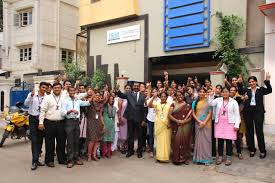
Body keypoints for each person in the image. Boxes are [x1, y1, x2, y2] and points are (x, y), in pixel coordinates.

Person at [238, 73, 272, 159]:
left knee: (259, 131)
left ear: (256, 82)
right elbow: (240, 91)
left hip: (258, 112)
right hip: (248, 112)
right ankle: (252, 149)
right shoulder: (246, 89)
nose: (251, 83)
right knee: (249, 131)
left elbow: (269, 90)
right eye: (250, 82)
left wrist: (267, 81)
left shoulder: (260, 89)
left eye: (253, 81)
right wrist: (240, 83)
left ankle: (263, 151)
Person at [61, 87, 92, 168]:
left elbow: (87, 103)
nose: (72, 92)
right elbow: (62, 112)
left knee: (76, 140)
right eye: (70, 91)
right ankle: (70, 160)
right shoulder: (65, 101)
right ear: (68, 92)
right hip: (69, 122)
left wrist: (92, 95)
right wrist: (70, 111)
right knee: (70, 141)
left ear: (75, 92)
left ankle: (76, 158)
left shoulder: (77, 100)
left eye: (73, 91)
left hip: (76, 121)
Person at [209, 87, 240, 166]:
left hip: (230, 123)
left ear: (229, 93)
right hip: (219, 123)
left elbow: (237, 114)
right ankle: (220, 157)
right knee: (220, 141)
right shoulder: (218, 100)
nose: (225, 93)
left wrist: (237, 124)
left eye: (226, 92)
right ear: (221, 93)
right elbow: (210, 104)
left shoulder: (234, 102)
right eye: (223, 92)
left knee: (229, 141)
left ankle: (228, 157)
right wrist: (211, 96)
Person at [38, 83, 67, 167]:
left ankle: (62, 159)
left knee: (61, 142)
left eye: (58, 88)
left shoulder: (65, 96)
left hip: (61, 123)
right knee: (49, 142)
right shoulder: (47, 98)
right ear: (52, 89)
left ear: (61, 89)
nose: (57, 89)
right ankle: (49, 160)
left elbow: (77, 96)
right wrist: (40, 122)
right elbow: (42, 110)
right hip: (49, 123)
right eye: (55, 88)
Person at [116, 82, 146, 158]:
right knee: (130, 135)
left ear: (139, 87)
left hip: (139, 119)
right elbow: (121, 95)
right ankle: (130, 151)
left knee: (140, 136)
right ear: (133, 87)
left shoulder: (143, 95)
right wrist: (117, 89)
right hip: (131, 118)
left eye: (137, 86)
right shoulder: (129, 94)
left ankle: (139, 151)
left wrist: (143, 120)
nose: (136, 87)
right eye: (135, 86)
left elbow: (144, 109)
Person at [24, 82, 49, 170]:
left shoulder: (47, 97)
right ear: (39, 87)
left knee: (40, 140)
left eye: (46, 88)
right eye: (43, 87)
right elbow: (26, 104)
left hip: (42, 120)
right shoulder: (32, 95)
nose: (44, 89)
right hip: (33, 119)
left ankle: (37, 158)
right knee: (34, 140)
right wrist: (31, 95)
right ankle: (34, 161)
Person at [169, 91, 192, 165]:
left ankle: (185, 158)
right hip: (176, 126)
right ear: (175, 96)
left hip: (185, 126)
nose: (179, 96)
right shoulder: (173, 104)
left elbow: (190, 117)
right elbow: (169, 115)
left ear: (183, 95)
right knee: (176, 142)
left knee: (185, 141)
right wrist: (177, 120)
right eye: (178, 95)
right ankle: (176, 158)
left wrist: (184, 122)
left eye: (181, 95)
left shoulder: (188, 105)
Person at [148, 91, 171, 162]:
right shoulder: (157, 103)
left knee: (166, 141)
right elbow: (149, 105)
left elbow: (171, 114)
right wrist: (153, 97)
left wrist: (169, 123)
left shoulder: (170, 104)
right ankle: (159, 157)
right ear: (160, 97)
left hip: (166, 125)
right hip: (158, 125)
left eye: (165, 96)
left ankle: (165, 157)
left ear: (167, 97)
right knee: (159, 141)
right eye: (162, 96)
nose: (163, 98)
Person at [192, 87, 213, 165]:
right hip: (198, 123)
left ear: (205, 93)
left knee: (206, 141)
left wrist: (204, 122)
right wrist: (199, 121)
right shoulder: (195, 102)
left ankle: (206, 159)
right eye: (200, 92)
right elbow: (193, 113)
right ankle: (199, 158)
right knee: (199, 141)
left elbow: (210, 113)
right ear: (198, 93)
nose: (201, 93)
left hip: (207, 123)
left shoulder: (209, 102)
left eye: (203, 92)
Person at [86, 90, 108, 161]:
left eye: (99, 96)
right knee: (92, 140)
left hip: (98, 122)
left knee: (97, 140)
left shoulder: (100, 105)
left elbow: (100, 115)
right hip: (91, 122)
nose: (98, 97)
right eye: (96, 95)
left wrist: (103, 124)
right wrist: (92, 95)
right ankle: (89, 155)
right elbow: (89, 100)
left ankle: (94, 155)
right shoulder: (90, 103)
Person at [229, 86, 245, 159]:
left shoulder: (239, 99)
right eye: (231, 90)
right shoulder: (226, 99)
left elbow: (240, 108)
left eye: (233, 90)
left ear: (236, 91)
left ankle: (239, 152)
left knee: (237, 137)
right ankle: (229, 151)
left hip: (236, 120)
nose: (232, 91)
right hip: (228, 121)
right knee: (229, 137)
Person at [146, 88, 160, 158]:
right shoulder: (149, 99)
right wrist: (152, 98)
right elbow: (148, 105)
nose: (154, 93)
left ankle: (158, 150)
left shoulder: (160, 100)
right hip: (150, 119)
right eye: (153, 92)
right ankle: (151, 151)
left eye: (155, 92)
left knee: (157, 135)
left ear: (157, 92)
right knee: (151, 135)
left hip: (157, 120)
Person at [116, 85, 130, 154]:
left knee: (128, 133)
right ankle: (121, 146)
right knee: (122, 134)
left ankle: (126, 146)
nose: (128, 89)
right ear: (124, 89)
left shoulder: (131, 97)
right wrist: (119, 118)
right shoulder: (121, 98)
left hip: (129, 118)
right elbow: (119, 109)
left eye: (129, 88)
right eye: (127, 88)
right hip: (122, 117)